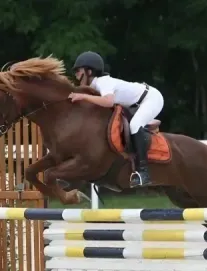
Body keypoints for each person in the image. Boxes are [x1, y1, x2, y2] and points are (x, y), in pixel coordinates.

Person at [68, 51, 164, 188]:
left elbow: (108, 102)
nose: (76, 74)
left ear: (89, 71)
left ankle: (143, 172)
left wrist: (83, 97)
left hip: (151, 99)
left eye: (78, 70)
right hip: (135, 104)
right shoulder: (95, 87)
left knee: (135, 125)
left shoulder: (103, 82)